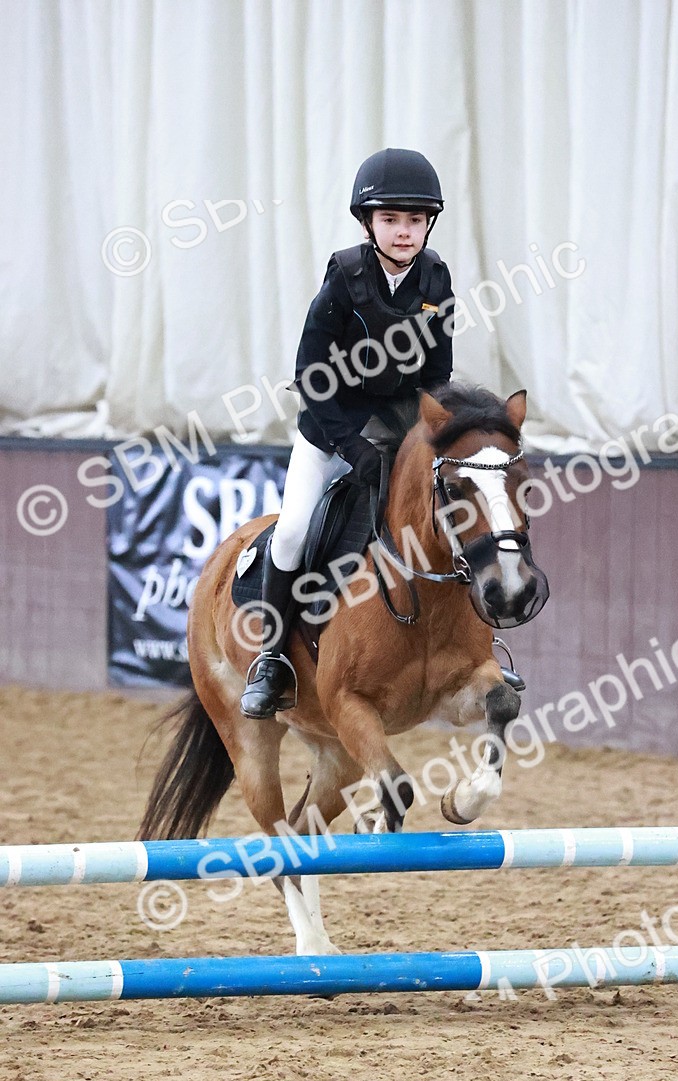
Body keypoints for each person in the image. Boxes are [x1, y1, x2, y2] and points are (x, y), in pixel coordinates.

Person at [240, 147, 455, 719]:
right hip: (330, 429)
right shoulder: (344, 277)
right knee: (289, 534)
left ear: (428, 223)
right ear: (368, 223)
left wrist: (421, 436)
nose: (404, 231)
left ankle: (467, 643)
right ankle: (271, 659)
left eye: (414, 220)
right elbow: (312, 375)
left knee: (452, 509)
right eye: (391, 219)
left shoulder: (436, 278)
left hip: (398, 430)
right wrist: (351, 444)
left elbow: (437, 372)